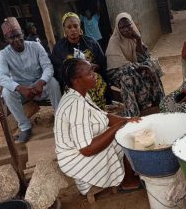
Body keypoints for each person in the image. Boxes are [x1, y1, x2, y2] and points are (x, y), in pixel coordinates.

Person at [54, 58, 140, 195]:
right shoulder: (76, 105)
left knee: (128, 127)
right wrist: (119, 126)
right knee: (123, 138)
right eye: (89, 74)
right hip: (75, 159)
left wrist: (127, 120)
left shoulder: (79, 94)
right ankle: (127, 181)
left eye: (93, 71)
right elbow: (86, 149)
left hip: (80, 150)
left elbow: (103, 116)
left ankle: (128, 172)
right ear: (77, 80)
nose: (95, 76)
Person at [0, 17, 61, 143]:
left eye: (18, 35)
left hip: (40, 87)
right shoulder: (4, 54)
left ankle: (60, 119)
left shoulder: (36, 46)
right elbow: (1, 76)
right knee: (6, 92)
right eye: (11, 37)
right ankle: (25, 127)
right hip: (22, 91)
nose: (16, 40)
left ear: (23, 34)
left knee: (53, 83)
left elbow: (48, 66)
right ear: (6, 40)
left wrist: (41, 82)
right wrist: (20, 88)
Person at [105, 12, 165, 117]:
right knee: (129, 76)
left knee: (152, 65)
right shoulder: (114, 41)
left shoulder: (134, 36)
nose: (126, 29)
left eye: (128, 25)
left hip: (133, 67)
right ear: (118, 28)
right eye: (122, 27)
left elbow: (143, 57)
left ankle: (159, 101)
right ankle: (133, 111)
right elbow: (121, 64)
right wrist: (141, 67)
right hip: (117, 72)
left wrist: (138, 39)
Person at [51, 12, 108, 110]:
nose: (73, 30)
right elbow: (58, 70)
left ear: (79, 27)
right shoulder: (59, 48)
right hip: (72, 81)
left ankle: (99, 112)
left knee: (92, 82)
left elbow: (102, 63)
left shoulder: (91, 42)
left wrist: (94, 66)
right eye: (69, 27)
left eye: (75, 26)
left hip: (92, 75)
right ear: (64, 29)